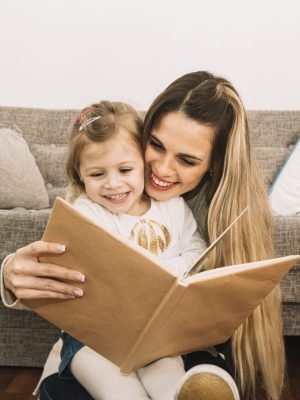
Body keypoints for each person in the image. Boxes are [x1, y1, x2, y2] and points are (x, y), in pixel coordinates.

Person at [0, 71, 284, 400]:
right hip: (98, 342)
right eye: (156, 145)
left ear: (215, 164)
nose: (161, 170)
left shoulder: (203, 208)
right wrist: (9, 272)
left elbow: (199, 260)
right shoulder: (105, 192)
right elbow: (58, 264)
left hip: (172, 342)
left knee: (175, 374)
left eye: (187, 160)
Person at [57, 99, 206, 400]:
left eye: (125, 169)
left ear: (143, 164)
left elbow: (198, 250)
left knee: (169, 378)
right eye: (97, 175)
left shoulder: (172, 208)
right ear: (80, 174)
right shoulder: (85, 213)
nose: (113, 184)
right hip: (93, 338)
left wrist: (169, 270)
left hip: (155, 332)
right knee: (121, 392)